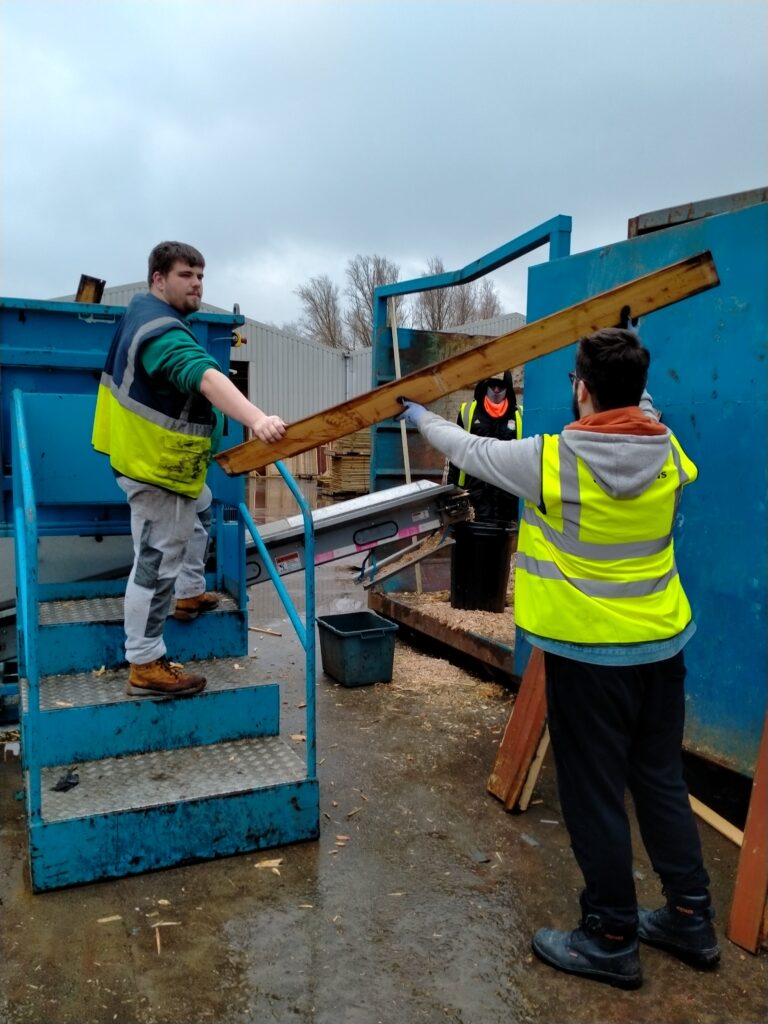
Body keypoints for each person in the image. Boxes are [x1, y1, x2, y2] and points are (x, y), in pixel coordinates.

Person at [398, 327, 718, 990]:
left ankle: (609, 936)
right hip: (661, 648)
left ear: (581, 389)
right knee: (658, 781)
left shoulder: (551, 461)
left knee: (594, 793)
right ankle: (691, 916)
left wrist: (419, 415)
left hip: (591, 659)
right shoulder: (665, 451)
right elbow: (638, 408)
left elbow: (468, 448)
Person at [92, 241, 286, 697]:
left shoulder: (143, 315)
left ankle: (189, 591)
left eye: (200, 275)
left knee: (202, 509)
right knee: (155, 565)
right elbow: (205, 375)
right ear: (158, 279)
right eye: (186, 275)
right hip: (157, 472)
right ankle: (145, 662)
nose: (197, 283)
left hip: (158, 466)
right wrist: (256, 420)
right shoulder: (163, 333)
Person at [447, 370, 522, 525]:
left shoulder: (519, 415)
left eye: (500, 386)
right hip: (474, 497)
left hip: (507, 501)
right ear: (485, 385)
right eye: (492, 385)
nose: (496, 390)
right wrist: (451, 491)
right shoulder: (468, 412)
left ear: (507, 386)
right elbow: (455, 452)